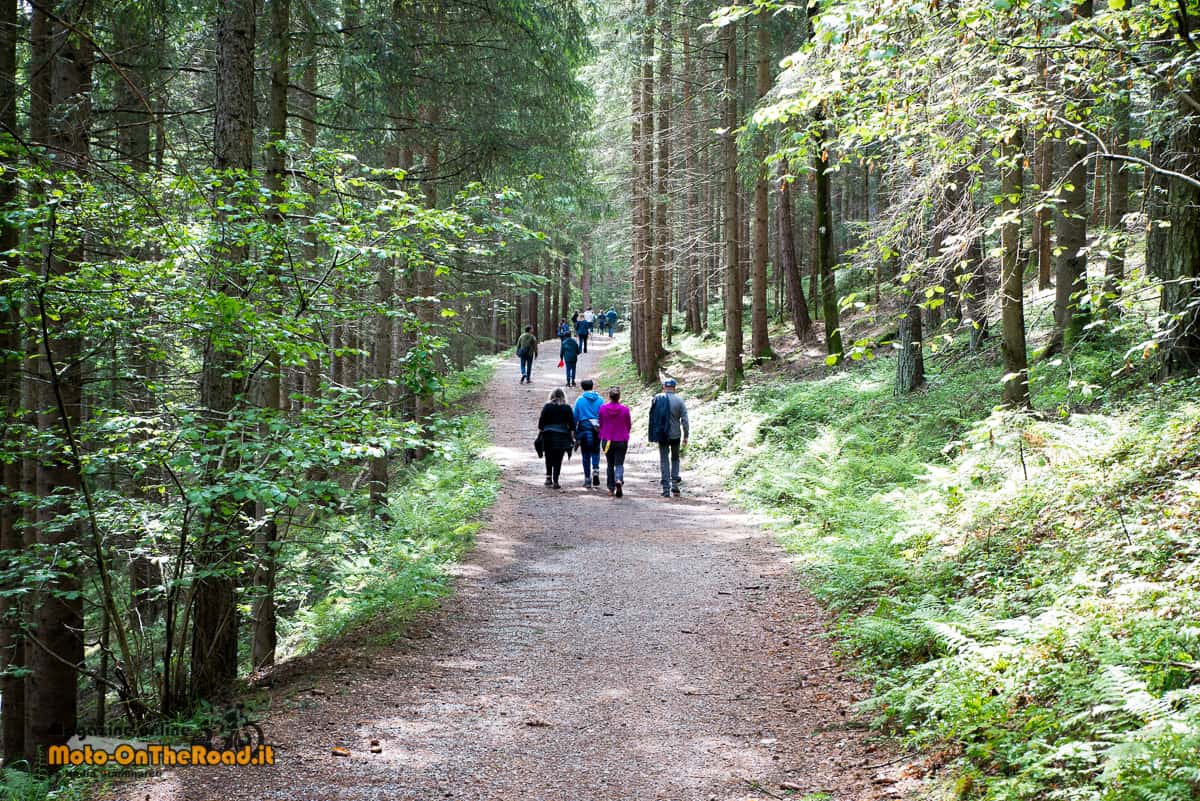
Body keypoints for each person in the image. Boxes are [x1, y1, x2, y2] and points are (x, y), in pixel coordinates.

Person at [648, 377, 689, 497]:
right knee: (675, 459)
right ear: (674, 388)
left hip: (662, 434)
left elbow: (653, 416)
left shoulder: (657, 398)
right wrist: (686, 435)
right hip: (676, 434)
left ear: (664, 387)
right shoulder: (680, 401)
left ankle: (666, 489)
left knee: (664, 459)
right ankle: (675, 483)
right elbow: (685, 420)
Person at [537, 388, 575, 489]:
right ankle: (556, 480)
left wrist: (540, 433)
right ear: (563, 396)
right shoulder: (566, 407)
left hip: (548, 435)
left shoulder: (547, 406)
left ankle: (548, 477)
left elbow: (541, 422)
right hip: (562, 436)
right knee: (558, 458)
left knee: (548, 456)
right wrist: (572, 437)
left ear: (552, 396)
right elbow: (572, 424)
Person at [598, 387, 632, 497]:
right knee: (619, 464)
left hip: (607, 440)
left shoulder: (603, 408)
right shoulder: (625, 410)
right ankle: (618, 479)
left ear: (609, 397)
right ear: (619, 397)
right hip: (621, 440)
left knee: (610, 464)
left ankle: (611, 488)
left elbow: (601, 423)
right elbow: (628, 425)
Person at [572, 379, 603, 488]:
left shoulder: (580, 400)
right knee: (596, 450)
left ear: (582, 387)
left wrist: (574, 430)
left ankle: (587, 478)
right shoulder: (600, 399)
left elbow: (575, 416)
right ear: (592, 386)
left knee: (585, 454)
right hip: (596, 429)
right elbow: (603, 414)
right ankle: (595, 470)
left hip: (584, 429)